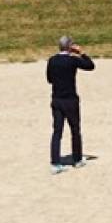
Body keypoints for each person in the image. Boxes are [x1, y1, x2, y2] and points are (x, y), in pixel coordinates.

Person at [46, 36, 95, 174]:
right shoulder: (72, 60)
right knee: (75, 130)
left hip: (56, 99)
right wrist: (81, 53)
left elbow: (49, 79)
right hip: (70, 100)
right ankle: (77, 159)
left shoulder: (52, 60)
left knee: (57, 132)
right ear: (70, 47)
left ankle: (55, 163)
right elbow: (90, 66)